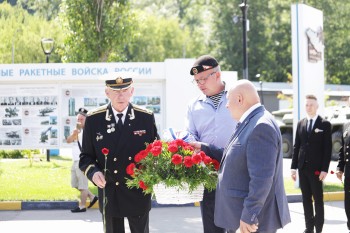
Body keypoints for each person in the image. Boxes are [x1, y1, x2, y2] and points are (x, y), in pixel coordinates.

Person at [191, 80, 290, 233]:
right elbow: (236, 155)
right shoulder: (251, 121)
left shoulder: (260, 126)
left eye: (228, 100)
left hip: (252, 222)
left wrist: (250, 214)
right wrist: (205, 148)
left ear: (239, 99)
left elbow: (262, 178)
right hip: (241, 216)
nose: (227, 105)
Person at [79, 73, 159, 233]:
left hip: (137, 190)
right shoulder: (95, 120)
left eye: (125, 90)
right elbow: (86, 157)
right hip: (110, 190)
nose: (120, 95)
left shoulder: (145, 117)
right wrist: (93, 173)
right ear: (107, 93)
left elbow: (155, 152)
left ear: (132, 91)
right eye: (115, 91)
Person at [186, 55, 236, 233]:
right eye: (196, 81)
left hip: (235, 171)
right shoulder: (194, 105)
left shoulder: (236, 97)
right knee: (211, 226)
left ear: (217, 74)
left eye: (203, 79)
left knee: (236, 225)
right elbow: (191, 134)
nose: (200, 84)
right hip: (208, 174)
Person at [291, 94, 332, 233]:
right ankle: (309, 228)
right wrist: (293, 167)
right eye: (307, 105)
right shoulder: (300, 123)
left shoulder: (325, 124)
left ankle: (318, 229)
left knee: (318, 200)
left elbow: (328, 149)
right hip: (302, 168)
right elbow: (297, 146)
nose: (309, 107)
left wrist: (324, 169)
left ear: (317, 106)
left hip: (317, 170)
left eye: (311, 105)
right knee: (306, 200)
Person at [66, 107, 98, 213]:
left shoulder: (89, 131)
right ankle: (92, 197)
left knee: (82, 185)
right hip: (75, 160)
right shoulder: (76, 130)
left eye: (81, 119)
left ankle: (82, 206)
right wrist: (74, 134)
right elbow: (68, 141)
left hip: (83, 161)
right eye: (78, 119)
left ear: (86, 120)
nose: (79, 121)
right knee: (74, 183)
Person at [336, 120, 350, 232]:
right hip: (348, 174)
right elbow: (343, 149)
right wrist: (340, 168)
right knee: (348, 204)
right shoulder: (346, 124)